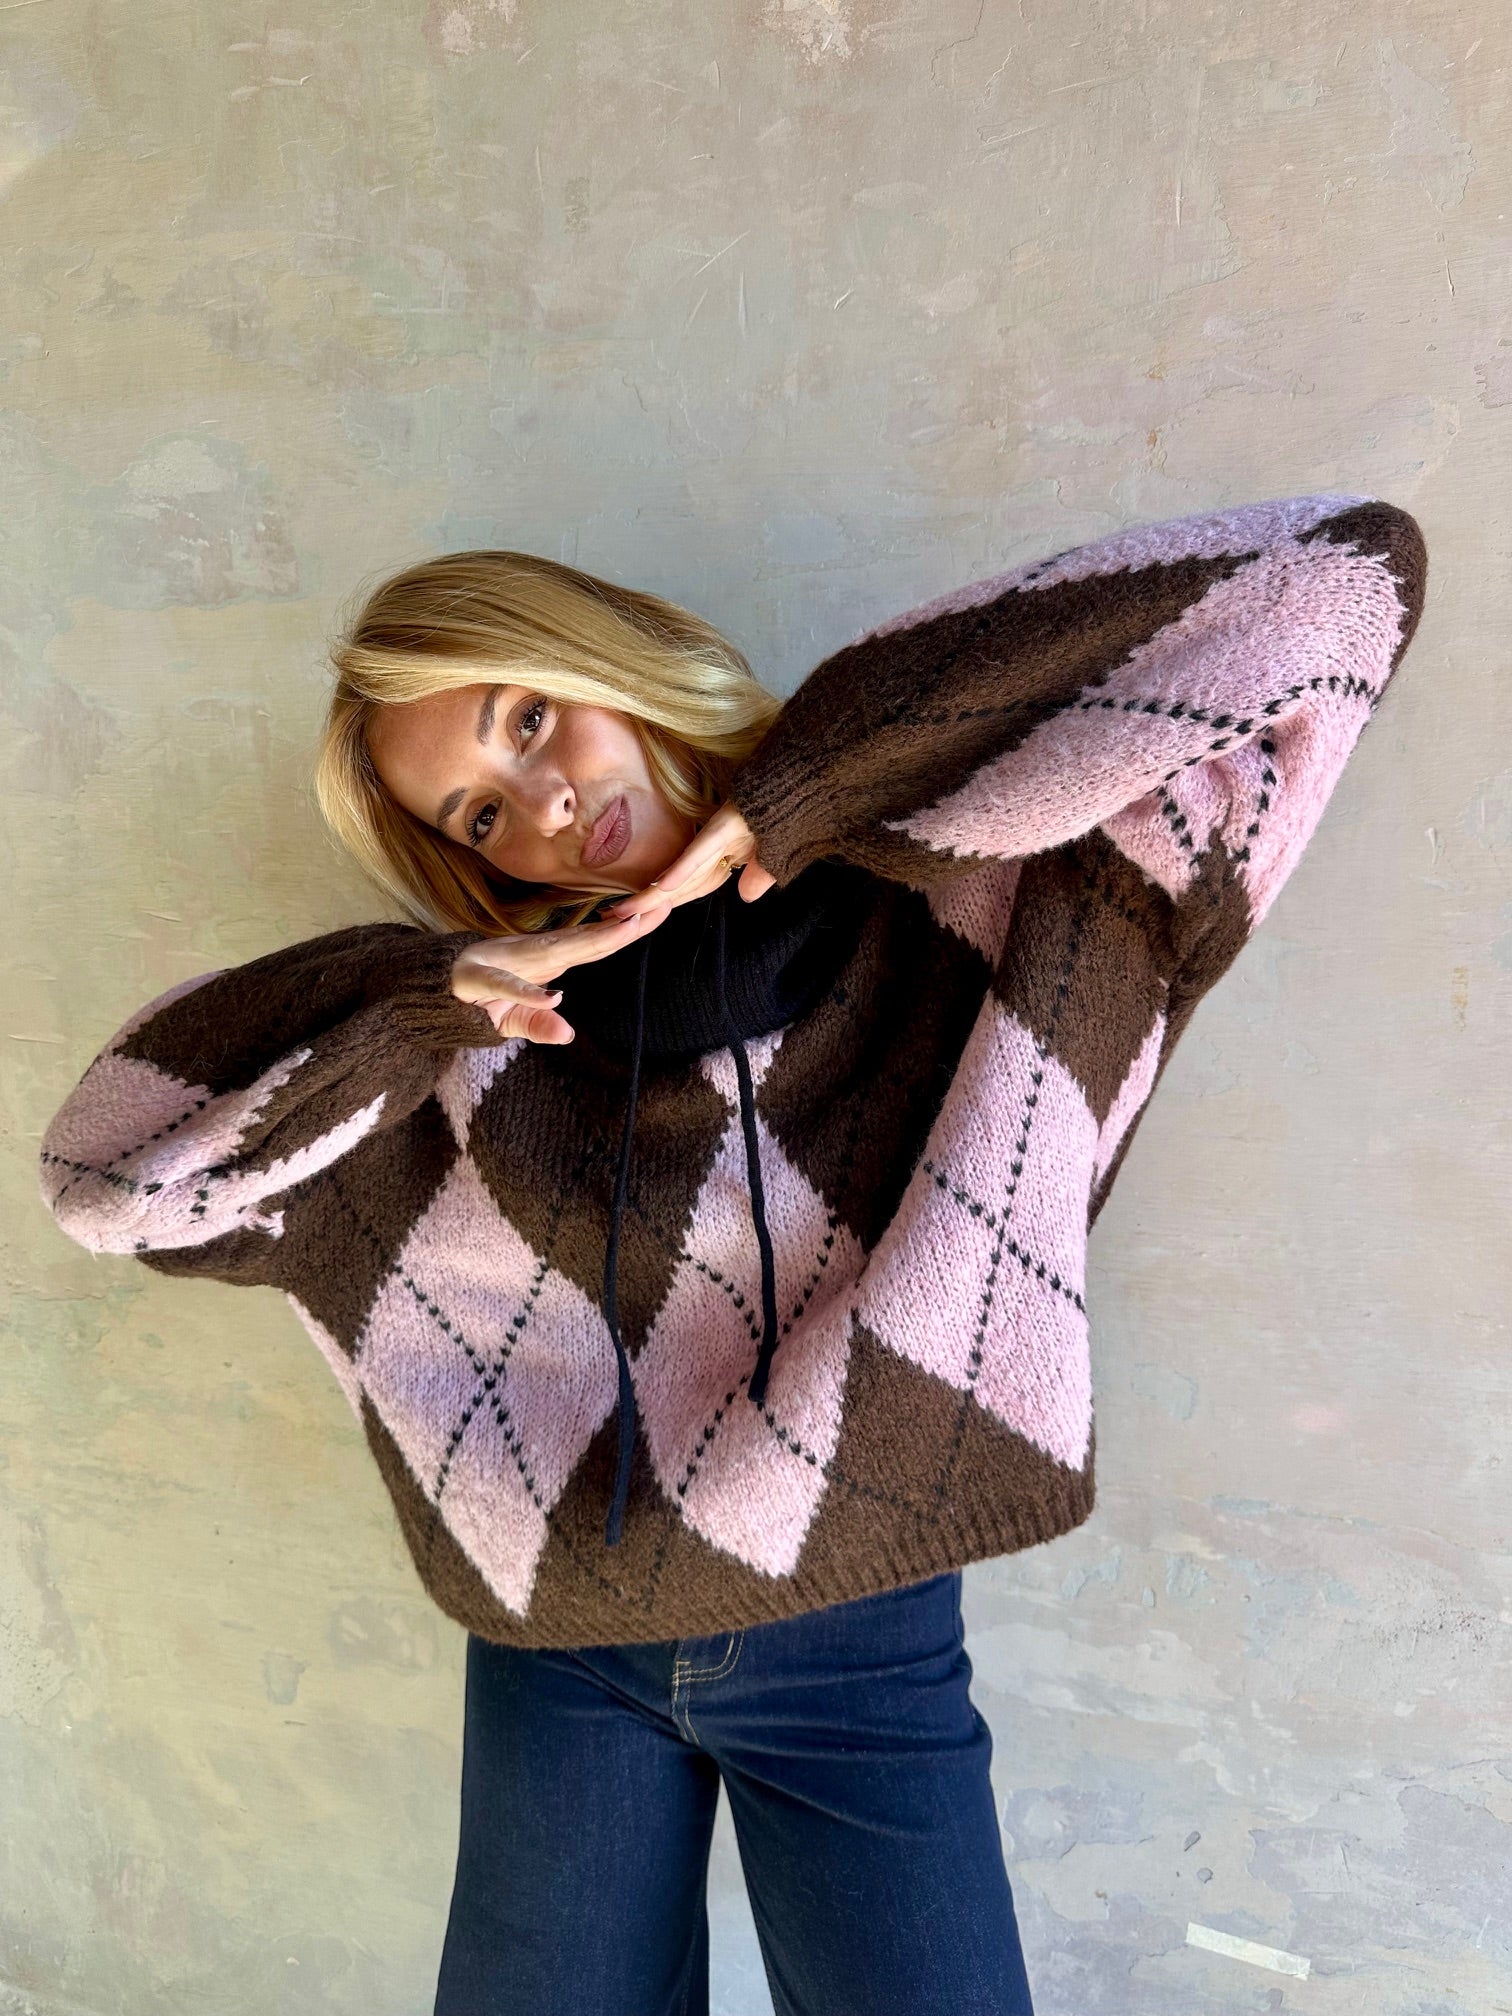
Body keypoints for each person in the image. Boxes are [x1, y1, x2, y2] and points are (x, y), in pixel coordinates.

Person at [38, 493, 1428, 2015]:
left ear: (616, 657)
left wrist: (811, 788)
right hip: (559, 1654)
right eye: (479, 819)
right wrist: (426, 995)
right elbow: (109, 1179)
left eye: (529, 719)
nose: (541, 807)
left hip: (859, 1633)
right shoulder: (473, 1049)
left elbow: (1341, 586)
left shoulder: (964, 898)